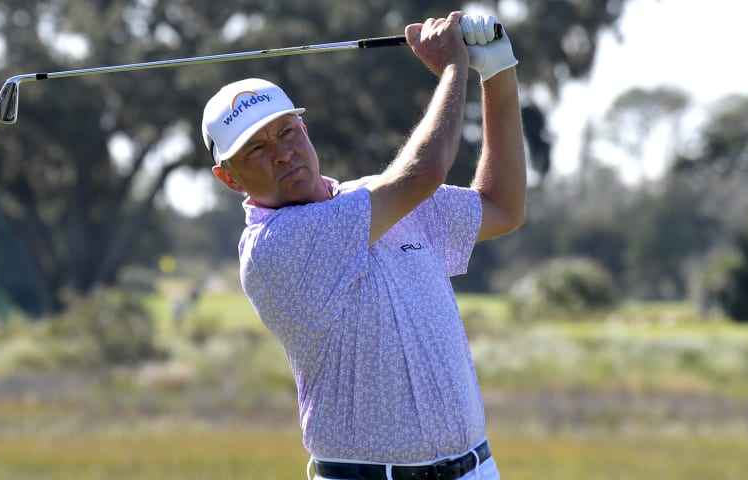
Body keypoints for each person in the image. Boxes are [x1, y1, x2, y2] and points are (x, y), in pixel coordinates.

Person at [201, 11, 525, 480]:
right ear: (229, 178)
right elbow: (426, 171)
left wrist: (497, 71)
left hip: (476, 467)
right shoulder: (274, 247)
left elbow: (503, 205)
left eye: (287, 132)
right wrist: (454, 66)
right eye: (255, 148)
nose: (282, 152)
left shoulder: (382, 197)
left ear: (304, 130)